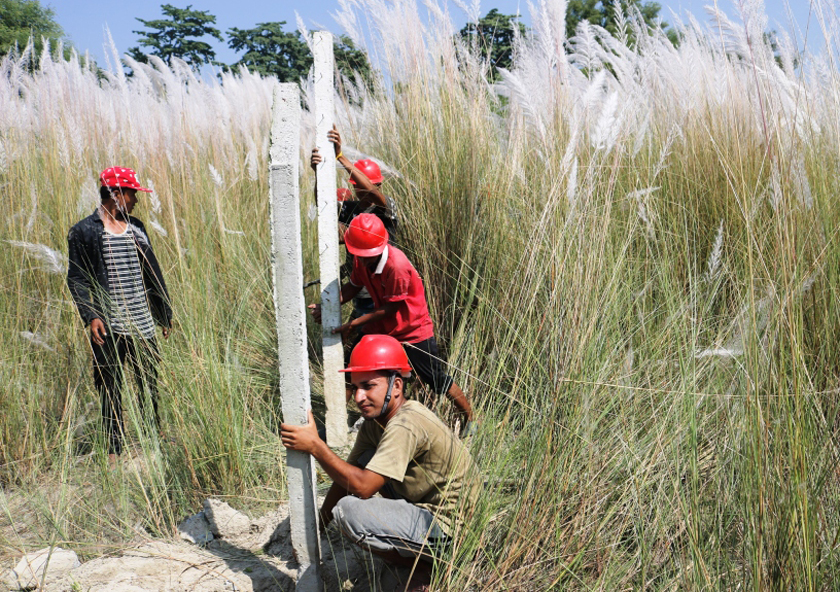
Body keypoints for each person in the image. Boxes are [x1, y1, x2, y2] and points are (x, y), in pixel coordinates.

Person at [280, 335, 480, 592]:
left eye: (369, 386)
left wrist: (317, 447)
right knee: (362, 465)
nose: (359, 397)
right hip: (424, 510)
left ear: (396, 386)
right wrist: (315, 531)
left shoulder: (406, 423)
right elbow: (346, 483)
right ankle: (416, 562)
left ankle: (431, 567)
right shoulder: (375, 424)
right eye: (355, 387)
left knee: (348, 513)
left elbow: (362, 487)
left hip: (451, 529)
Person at [309, 213, 474, 425]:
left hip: (412, 328)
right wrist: (328, 306)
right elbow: (353, 287)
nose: (364, 259)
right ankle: (336, 423)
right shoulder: (362, 259)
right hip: (380, 325)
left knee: (434, 378)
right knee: (354, 367)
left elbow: (391, 309)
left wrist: (353, 324)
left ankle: (470, 418)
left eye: (368, 254)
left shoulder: (397, 266)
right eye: (359, 254)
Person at [67, 166, 172, 462]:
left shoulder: (137, 227)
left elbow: (152, 273)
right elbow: (75, 278)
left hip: (141, 323)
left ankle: (153, 433)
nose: (136, 199)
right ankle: (114, 447)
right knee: (109, 386)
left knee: (147, 382)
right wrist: (91, 316)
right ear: (116, 194)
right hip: (109, 327)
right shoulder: (83, 232)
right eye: (132, 193)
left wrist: (163, 313)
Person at [310, 125, 399, 323]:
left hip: (386, 290)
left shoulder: (386, 208)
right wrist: (319, 173)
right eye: (358, 185)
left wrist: (340, 157)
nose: (362, 189)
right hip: (358, 288)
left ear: (379, 185)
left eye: (367, 184)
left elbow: (374, 194)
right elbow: (324, 207)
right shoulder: (349, 209)